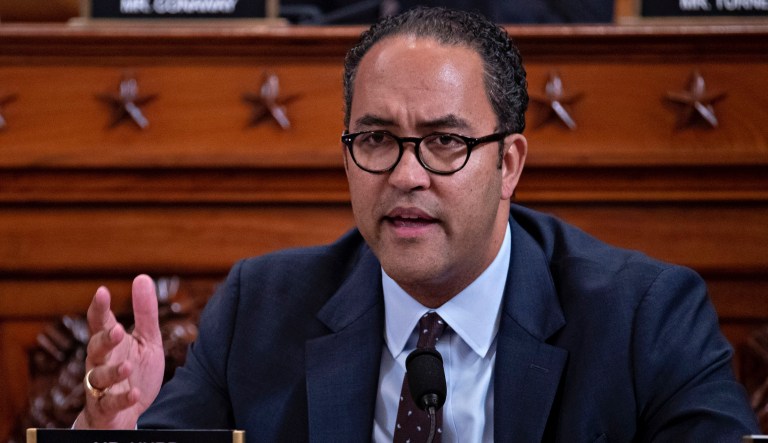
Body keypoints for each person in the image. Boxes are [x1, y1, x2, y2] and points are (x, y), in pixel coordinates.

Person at [73, 6, 759, 442]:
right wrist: (114, 432)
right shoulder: (262, 307)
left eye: (445, 142)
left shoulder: (643, 316)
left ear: (509, 163)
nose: (406, 175)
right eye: (375, 139)